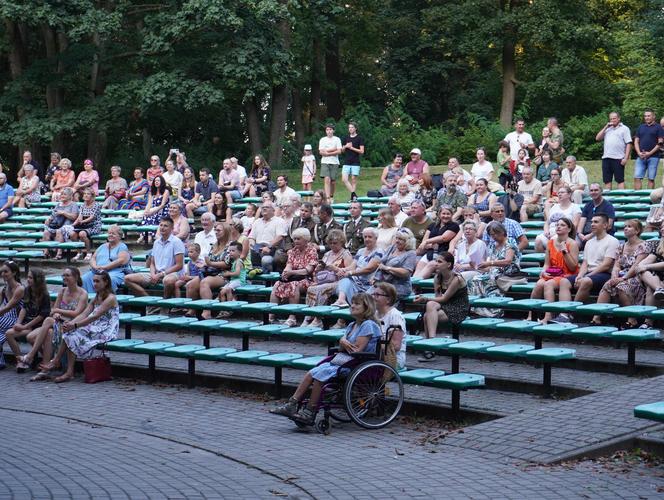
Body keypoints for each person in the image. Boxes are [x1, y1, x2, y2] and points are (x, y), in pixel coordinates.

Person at [270, 292, 382, 425]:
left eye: (357, 304)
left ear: (367, 307)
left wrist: (343, 342)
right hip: (344, 360)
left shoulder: (368, 325)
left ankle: (310, 412)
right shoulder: (352, 325)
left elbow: (356, 350)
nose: (352, 306)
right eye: (352, 303)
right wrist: (342, 343)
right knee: (311, 373)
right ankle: (291, 404)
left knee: (320, 376)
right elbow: (342, 349)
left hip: (357, 364)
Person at [41, 271, 119, 383]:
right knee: (70, 333)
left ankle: (57, 362)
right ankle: (68, 371)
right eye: (94, 281)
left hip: (106, 329)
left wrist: (76, 325)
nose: (94, 284)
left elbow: (94, 317)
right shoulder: (97, 297)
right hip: (95, 326)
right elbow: (84, 314)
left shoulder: (110, 298)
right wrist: (71, 324)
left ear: (106, 282)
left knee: (72, 332)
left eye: (97, 281)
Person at [17, 267, 88, 381]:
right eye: (63, 275)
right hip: (59, 323)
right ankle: (46, 366)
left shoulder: (83, 293)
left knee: (48, 321)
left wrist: (58, 312)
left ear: (76, 277)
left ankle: (32, 357)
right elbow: (53, 309)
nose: (64, 278)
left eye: (67, 275)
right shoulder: (62, 291)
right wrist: (56, 314)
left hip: (73, 326)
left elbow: (76, 313)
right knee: (34, 336)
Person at [555, 214, 619, 322]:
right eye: (592, 221)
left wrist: (588, 275)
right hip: (589, 273)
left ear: (605, 225)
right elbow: (585, 263)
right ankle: (563, 313)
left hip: (604, 274)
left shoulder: (612, 241)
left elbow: (606, 264)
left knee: (585, 281)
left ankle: (571, 314)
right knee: (564, 282)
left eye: (596, 222)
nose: (592, 224)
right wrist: (579, 275)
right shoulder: (589, 242)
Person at [591, 219, 648, 327]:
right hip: (621, 276)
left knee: (622, 287)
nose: (626, 228)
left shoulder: (643, 245)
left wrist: (624, 278)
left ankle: (632, 319)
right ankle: (596, 318)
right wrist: (614, 277)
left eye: (629, 226)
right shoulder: (621, 246)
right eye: (625, 226)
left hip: (637, 276)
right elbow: (616, 265)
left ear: (637, 230)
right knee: (608, 285)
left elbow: (637, 265)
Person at [414, 252, 470, 361]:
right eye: (436, 261)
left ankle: (430, 346)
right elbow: (438, 298)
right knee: (430, 307)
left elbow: (444, 299)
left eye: (439, 262)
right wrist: (428, 300)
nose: (436, 264)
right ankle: (431, 342)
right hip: (446, 306)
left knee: (427, 315)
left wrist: (425, 298)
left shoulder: (456, 279)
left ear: (448, 265)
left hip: (459, 308)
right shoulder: (437, 278)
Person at [526, 218, 579, 323]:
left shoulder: (572, 244)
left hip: (567, 274)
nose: (558, 227)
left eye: (562, 225)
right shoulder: (550, 242)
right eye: (557, 225)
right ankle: (531, 315)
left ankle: (548, 315)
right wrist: (544, 271)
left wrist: (565, 251)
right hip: (553, 273)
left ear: (569, 229)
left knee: (548, 284)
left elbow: (573, 267)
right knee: (539, 284)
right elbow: (547, 263)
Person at [301, 229, 353, 328]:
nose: (333, 245)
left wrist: (335, 268)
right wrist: (318, 269)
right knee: (311, 288)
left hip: (339, 281)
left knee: (321, 289)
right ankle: (309, 317)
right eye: (331, 243)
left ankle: (318, 318)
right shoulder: (327, 254)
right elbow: (318, 271)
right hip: (324, 279)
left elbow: (348, 273)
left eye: (335, 243)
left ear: (341, 242)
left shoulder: (346, 254)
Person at [124, 217, 185, 300]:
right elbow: (152, 263)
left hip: (173, 273)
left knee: (168, 280)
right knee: (128, 279)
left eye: (166, 226)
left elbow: (179, 265)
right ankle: (150, 301)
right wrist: (153, 275)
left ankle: (164, 304)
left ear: (172, 228)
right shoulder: (156, 242)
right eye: (161, 225)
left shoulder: (177, 242)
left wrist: (161, 274)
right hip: (157, 273)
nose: (162, 228)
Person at [268, 228, 318, 326]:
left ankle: (292, 317)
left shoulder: (312, 251)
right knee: (277, 284)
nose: (296, 241)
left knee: (293, 285)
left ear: (306, 239)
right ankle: (270, 316)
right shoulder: (292, 251)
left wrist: (292, 272)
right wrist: (286, 272)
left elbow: (308, 270)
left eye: (298, 239)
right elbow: (289, 265)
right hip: (294, 277)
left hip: (307, 279)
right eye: (294, 239)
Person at [467, 222, 521, 309]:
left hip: (509, 273)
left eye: (497, 233)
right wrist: (476, 266)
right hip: (494, 272)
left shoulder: (510, 242)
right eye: (492, 234)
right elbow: (489, 268)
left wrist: (490, 263)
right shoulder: (492, 246)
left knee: (486, 280)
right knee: (473, 280)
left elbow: (508, 261)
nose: (494, 236)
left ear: (503, 232)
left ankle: (494, 310)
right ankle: (478, 308)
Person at [6, 269, 50, 372]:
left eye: (30, 278)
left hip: (39, 325)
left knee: (31, 338)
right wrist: (18, 323)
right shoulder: (27, 290)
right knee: (9, 333)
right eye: (28, 277)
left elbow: (42, 315)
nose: (28, 280)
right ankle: (20, 360)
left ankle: (45, 359)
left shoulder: (45, 295)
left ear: (37, 279)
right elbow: (24, 308)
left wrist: (25, 326)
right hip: (27, 324)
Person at [332, 227, 383, 308]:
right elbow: (352, 266)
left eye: (370, 237)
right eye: (365, 237)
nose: (367, 239)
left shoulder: (379, 251)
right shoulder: (361, 251)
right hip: (356, 282)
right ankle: (341, 300)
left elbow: (369, 269)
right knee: (344, 280)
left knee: (346, 280)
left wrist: (350, 273)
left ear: (376, 238)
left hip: (367, 284)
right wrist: (342, 270)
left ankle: (343, 317)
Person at [191, 222, 232, 319]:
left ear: (225, 232)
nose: (216, 232)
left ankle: (207, 312)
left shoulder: (230, 246)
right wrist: (204, 264)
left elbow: (227, 264)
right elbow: (209, 260)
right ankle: (193, 310)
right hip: (210, 271)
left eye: (219, 230)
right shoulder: (214, 245)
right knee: (191, 285)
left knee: (205, 282)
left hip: (224, 274)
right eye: (215, 230)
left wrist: (210, 264)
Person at [82, 225, 131, 293]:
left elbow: (121, 260)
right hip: (97, 271)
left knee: (108, 279)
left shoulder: (122, 246)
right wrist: (95, 267)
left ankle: (106, 300)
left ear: (119, 236)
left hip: (115, 271)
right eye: (109, 233)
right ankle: (89, 300)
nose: (110, 235)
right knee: (84, 278)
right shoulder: (102, 246)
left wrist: (104, 267)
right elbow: (93, 258)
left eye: (113, 233)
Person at [414, 205, 460, 278]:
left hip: (443, 254)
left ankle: (416, 283)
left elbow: (444, 238)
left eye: (448, 214)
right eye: (443, 213)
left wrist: (428, 242)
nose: (446, 216)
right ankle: (414, 285)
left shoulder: (454, 226)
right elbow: (424, 242)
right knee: (419, 265)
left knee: (431, 265)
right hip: (430, 253)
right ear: (439, 214)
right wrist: (428, 243)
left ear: (452, 215)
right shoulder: (432, 225)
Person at [371, 228, 418, 300]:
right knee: (367, 297)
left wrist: (388, 268)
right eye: (396, 238)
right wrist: (374, 278)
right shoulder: (392, 248)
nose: (397, 241)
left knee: (376, 298)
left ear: (408, 241)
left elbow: (406, 272)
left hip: (399, 287)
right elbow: (381, 263)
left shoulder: (411, 253)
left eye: (400, 239)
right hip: (383, 283)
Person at [534, 186, 581, 252]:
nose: (559, 194)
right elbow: (547, 223)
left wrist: (559, 233)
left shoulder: (575, 207)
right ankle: (544, 261)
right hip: (551, 233)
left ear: (569, 194)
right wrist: (546, 231)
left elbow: (574, 225)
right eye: (558, 193)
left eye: (562, 192)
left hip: (566, 234)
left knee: (555, 239)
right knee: (538, 240)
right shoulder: (554, 207)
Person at [596, 111, 632, 190]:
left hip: (618, 158)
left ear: (619, 118)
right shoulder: (608, 129)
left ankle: (622, 201)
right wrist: (606, 127)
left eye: (614, 118)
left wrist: (625, 158)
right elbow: (597, 138)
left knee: (620, 180)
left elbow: (629, 143)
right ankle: (609, 200)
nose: (612, 120)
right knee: (607, 180)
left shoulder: (624, 129)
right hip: (606, 158)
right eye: (611, 119)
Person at [41, 187, 79, 259]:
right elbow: (53, 215)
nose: (62, 196)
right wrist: (49, 219)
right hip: (56, 225)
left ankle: (59, 253)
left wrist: (63, 213)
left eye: (64, 194)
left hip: (68, 226)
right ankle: (46, 252)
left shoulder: (74, 204)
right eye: (61, 194)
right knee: (46, 232)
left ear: (70, 196)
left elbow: (74, 217)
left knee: (59, 231)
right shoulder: (58, 205)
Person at [0, 261, 24, 369]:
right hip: (5, 318)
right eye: (2, 272)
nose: (3, 274)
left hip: (17, 319)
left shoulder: (20, 289)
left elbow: (7, 308)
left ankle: (20, 361)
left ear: (14, 273)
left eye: (6, 271)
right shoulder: (4, 289)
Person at [249, 201, 285, 272]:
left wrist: (269, 246)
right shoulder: (257, 222)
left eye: (267, 207)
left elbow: (280, 237)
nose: (264, 209)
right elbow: (251, 237)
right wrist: (253, 246)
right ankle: (253, 281)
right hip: (257, 248)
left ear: (273, 210)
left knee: (266, 260)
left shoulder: (279, 221)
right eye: (263, 207)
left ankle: (268, 282)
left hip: (272, 250)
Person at [633, 109, 664, 190]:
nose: (647, 117)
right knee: (637, 177)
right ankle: (637, 200)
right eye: (645, 116)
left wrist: (649, 153)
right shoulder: (640, 127)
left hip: (653, 157)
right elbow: (636, 141)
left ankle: (648, 200)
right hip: (640, 157)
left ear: (653, 116)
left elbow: (660, 143)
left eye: (649, 116)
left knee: (651, 179)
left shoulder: (659, 128)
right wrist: (639, 152)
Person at [69, 188, 103, 261]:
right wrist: (73, 225)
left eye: (88, 194)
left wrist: (82, 221)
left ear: (92, 196)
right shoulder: (82, 205)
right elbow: (79, 217)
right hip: (84, 225)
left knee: (82, 234)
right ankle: (79, 253)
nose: (86, 195)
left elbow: (92, 218)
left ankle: (89, 253)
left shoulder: (96, 205)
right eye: (85, 194)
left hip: (94, 226)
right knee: (72, 234)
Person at [139, 175, 170, 243]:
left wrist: (152, 212)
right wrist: (146, 211)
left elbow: (162, 205)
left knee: (153, 217)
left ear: (162, 182)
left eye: (158, 180)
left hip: (163, 211)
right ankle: (143, 235)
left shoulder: (166, 191)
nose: (156, 182)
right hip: (154, 210)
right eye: (155, 181)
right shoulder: (152, 192)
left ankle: (149, 236)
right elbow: (149, 204)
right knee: (146, 216)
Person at [340, 121, 365, 200]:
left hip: (355, 161)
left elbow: (362, 151)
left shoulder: (359, 138)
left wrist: (351, 148)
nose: (350, 129)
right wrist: (345, 147)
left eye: (352, 127)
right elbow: (342, 151)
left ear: (355, 128)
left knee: (353, 179)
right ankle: (353, 194)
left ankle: (353, 198)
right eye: (349, 127)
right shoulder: (346, 138)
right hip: (347, 161)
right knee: (344, 179)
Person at [318, 123, 343, 202]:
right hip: (325, 162)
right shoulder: (322, 139)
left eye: (330, 130)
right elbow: (321, 152)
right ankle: (327, 198)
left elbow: (339, 151)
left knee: (333, 181)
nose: (329, 131)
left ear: (333, 130)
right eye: (327, 130)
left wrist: (328, 152)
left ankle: (331, 196)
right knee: (327, 179)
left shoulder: (337, 139)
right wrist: (333, 149)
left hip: (334, 162)